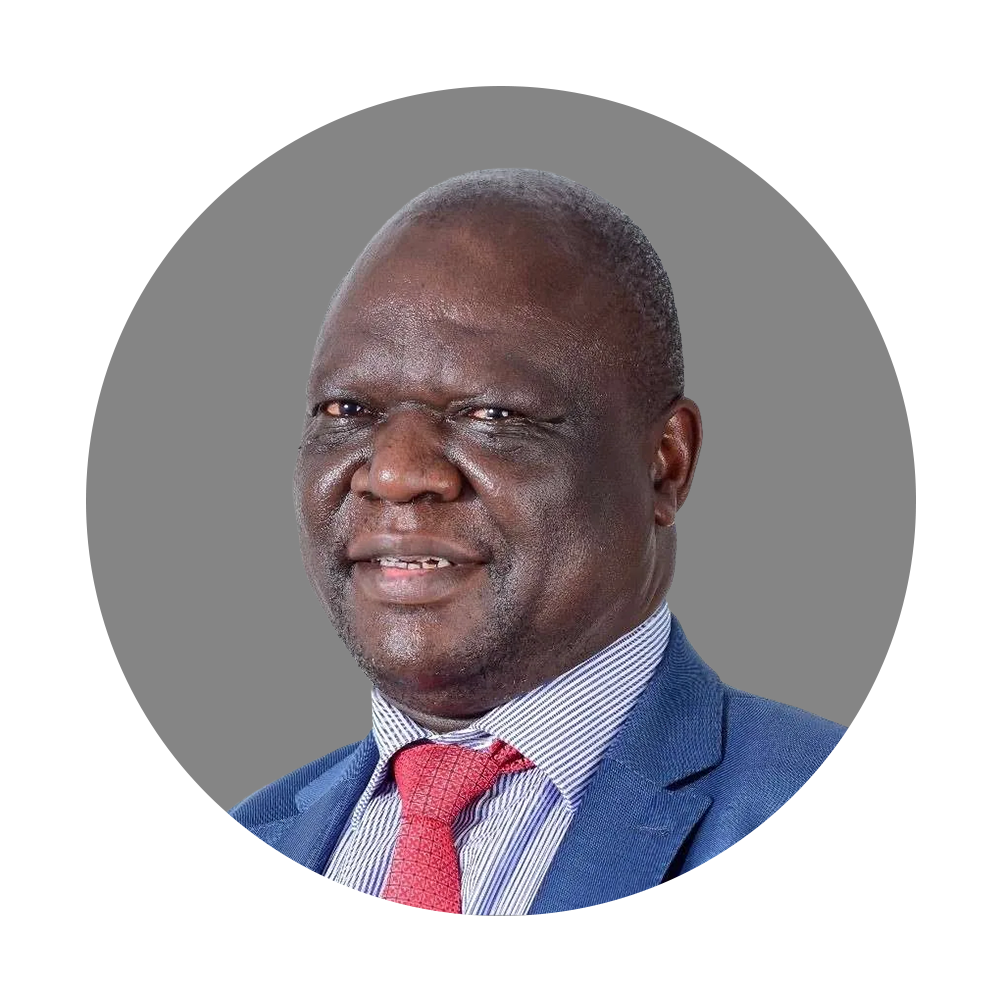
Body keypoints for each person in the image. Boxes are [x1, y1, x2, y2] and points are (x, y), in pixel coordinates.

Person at [228, 168, 862, 926]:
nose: (394, 473)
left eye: (493, 414)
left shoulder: (845, 821)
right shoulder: (256, 834)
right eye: (348, 408)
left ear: (665, 463)